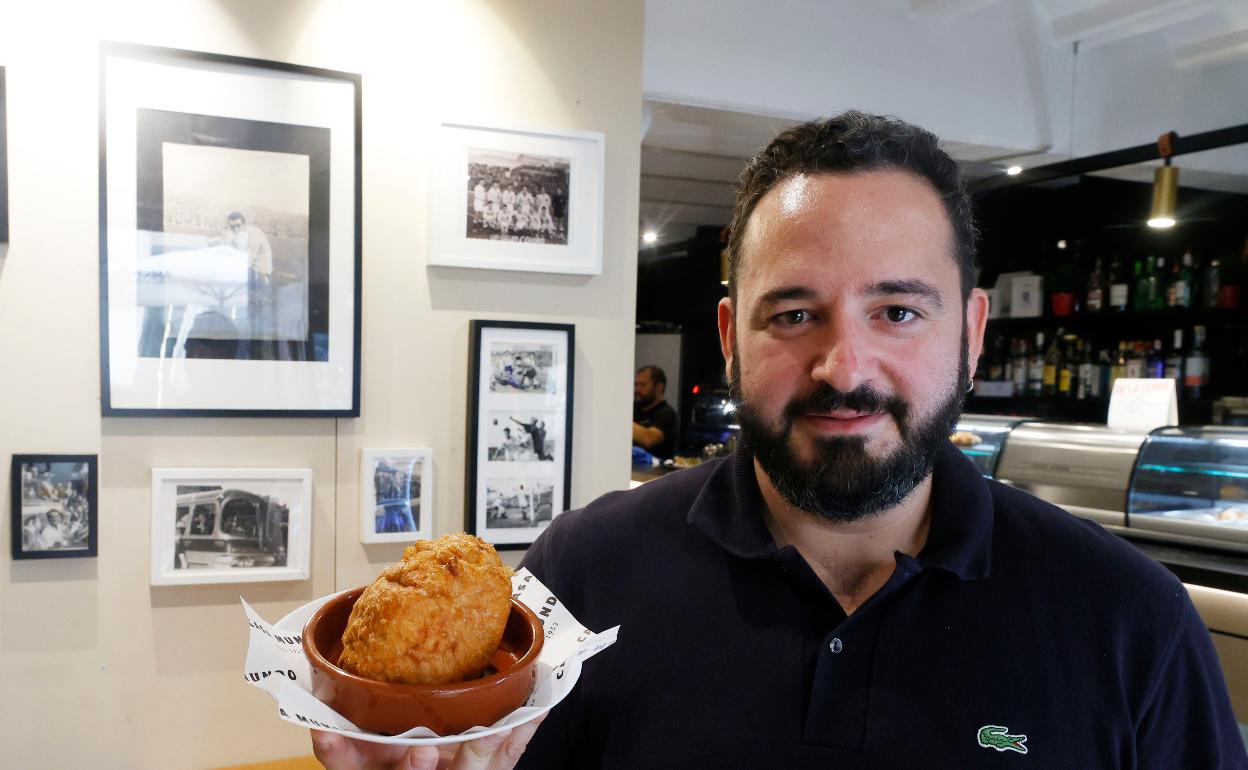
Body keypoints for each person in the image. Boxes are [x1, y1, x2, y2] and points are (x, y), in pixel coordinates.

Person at [311, 112, 1247, 769]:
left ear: (971, 331)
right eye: (794, 314)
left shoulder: (1134, 625)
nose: (845, 365)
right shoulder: (581, 576)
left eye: (896, 310)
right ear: (729, 339)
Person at [631, 365, 678, 461]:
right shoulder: (633, 409)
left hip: (656, 473)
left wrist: (620, 420)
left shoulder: (666, 413)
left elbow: (649, 439)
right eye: (636, 385)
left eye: (642, 385)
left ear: (659, 387)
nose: (637, 389)